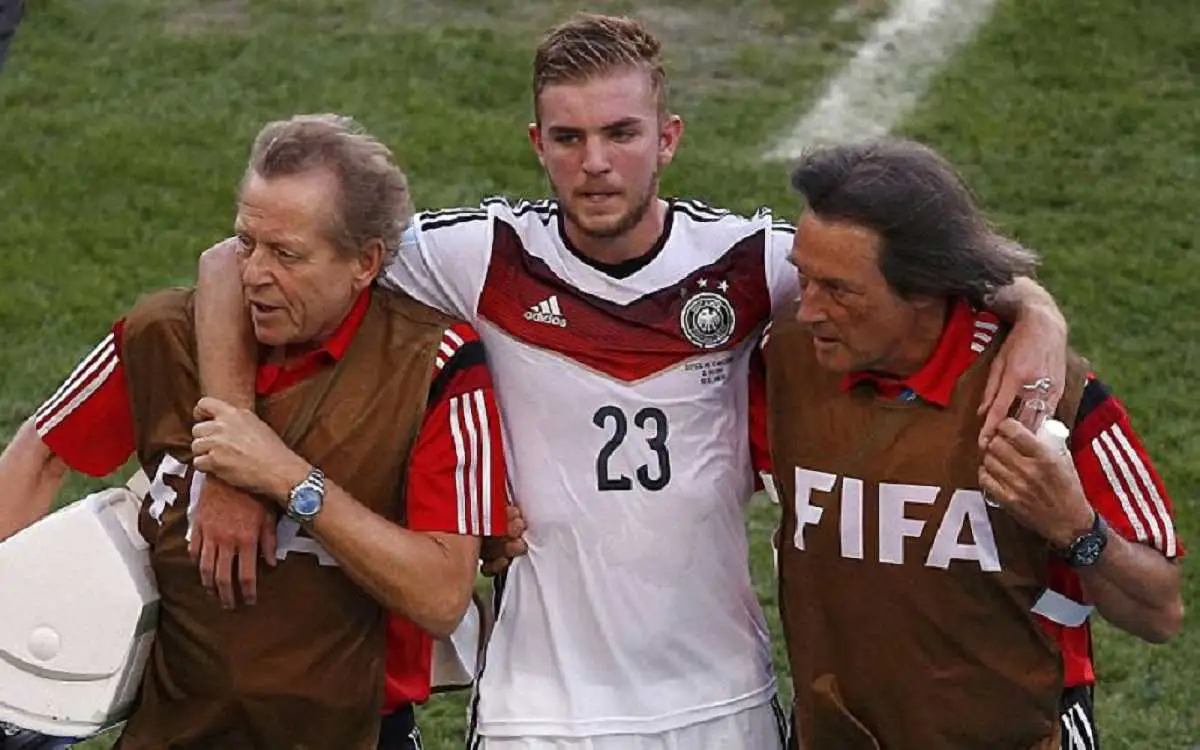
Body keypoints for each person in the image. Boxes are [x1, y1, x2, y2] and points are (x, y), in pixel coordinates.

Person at [193, 15, 1070, 750]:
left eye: (622, 134)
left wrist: (1038, 316)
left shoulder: (748, 263)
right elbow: (230, 264)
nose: (596, 163)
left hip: (719, 699)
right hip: (538, 706)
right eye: (569, 138)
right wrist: (231, 456)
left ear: (668, 138)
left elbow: (938, 270)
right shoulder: (478, 256)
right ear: (537, 145)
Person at [0, 113, 509, 749]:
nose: (254, 274)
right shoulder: (165, 336)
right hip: (174, 732)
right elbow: (39, 457)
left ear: (365, 262)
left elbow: (440, 596)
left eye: (287, 255)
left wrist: (287, 480)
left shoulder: (435, 366)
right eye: (247, 243)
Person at [762, 138, 1184, 750]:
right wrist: (1036, 303)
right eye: (803, 277)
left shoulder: (1046, 392)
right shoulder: (784, 359)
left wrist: (1077, 529)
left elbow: (1160, 612)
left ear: (924, 288)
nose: (809, 310)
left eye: (839, 290)